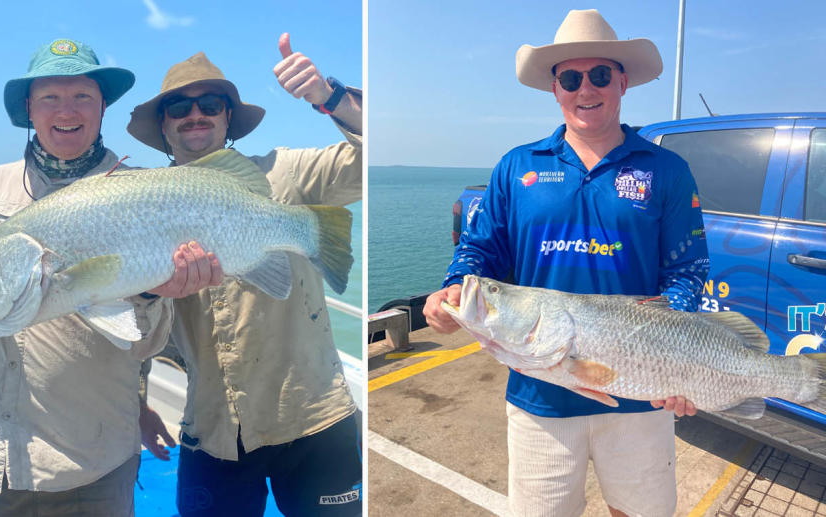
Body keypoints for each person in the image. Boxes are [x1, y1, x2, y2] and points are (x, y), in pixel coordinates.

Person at [422, 10, 710, 517]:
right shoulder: (517, 167)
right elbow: (480, 252)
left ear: (622, 81)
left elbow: (686, 271)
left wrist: (680, 360)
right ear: (555, 89)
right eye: (571, 78)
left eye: (599, 75)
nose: (586, 89)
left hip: (641, 396)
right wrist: (450, 292)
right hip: (540, 397)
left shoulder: (666, 169)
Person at [0, 38, 213, 517]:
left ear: (103, 107)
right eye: (50, 97)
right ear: (29, 109)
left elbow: (145, 343)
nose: (67, 110)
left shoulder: (144, 193)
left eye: (83, 96)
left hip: (90, 463)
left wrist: (146, 291)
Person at [129, 33, 362, 516]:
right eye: (178, 107)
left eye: (211, 103)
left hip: (314, 417)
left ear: (228, 117)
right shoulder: (139, 201)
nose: (196, 113)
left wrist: (330, 98)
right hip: (212, 429)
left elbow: (372, 157)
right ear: (164, 125)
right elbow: (124, 308)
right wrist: (138, 402)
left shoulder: (287, 173)